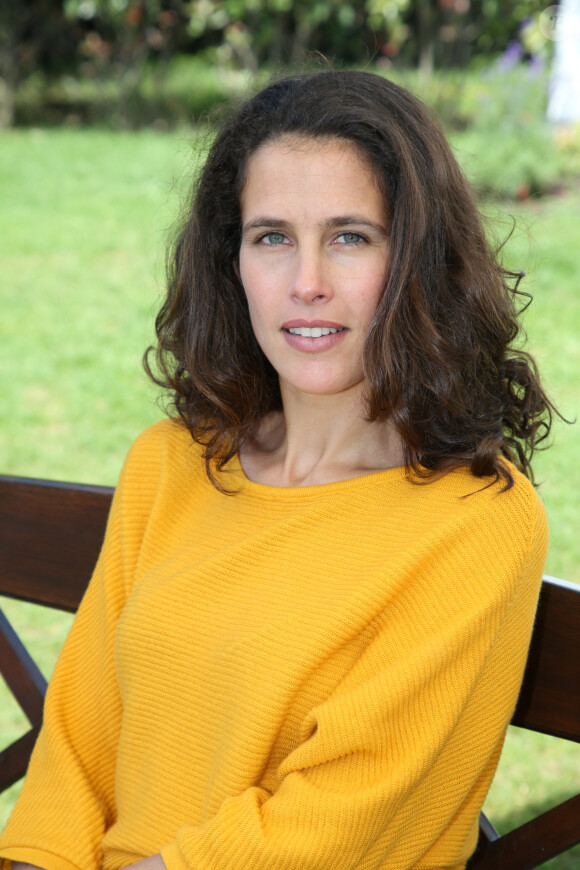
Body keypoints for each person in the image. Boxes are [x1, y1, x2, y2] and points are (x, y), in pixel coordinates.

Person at [0, 70, 556, 870]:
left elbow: (337, 828)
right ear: (232, 263)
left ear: (419, 261)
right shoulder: (172, 466)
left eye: (349, 237)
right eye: (272, 237)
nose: (306, 284)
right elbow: (76, 754)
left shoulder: (475, 524)